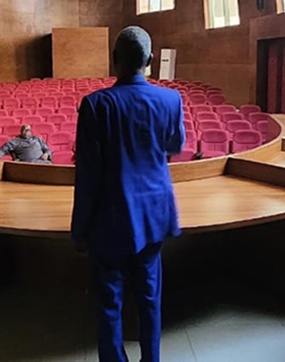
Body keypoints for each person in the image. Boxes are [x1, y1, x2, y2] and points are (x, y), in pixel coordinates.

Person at [72, 26, 185, 362]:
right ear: (150, 60)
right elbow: (175, 146)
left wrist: (79, 229)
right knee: (150, 298)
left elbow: (87, 176)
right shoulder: (170, 100)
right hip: (153, 216)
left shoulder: (95, 105)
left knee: (109, 302)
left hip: (109, 218)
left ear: (114, 59)